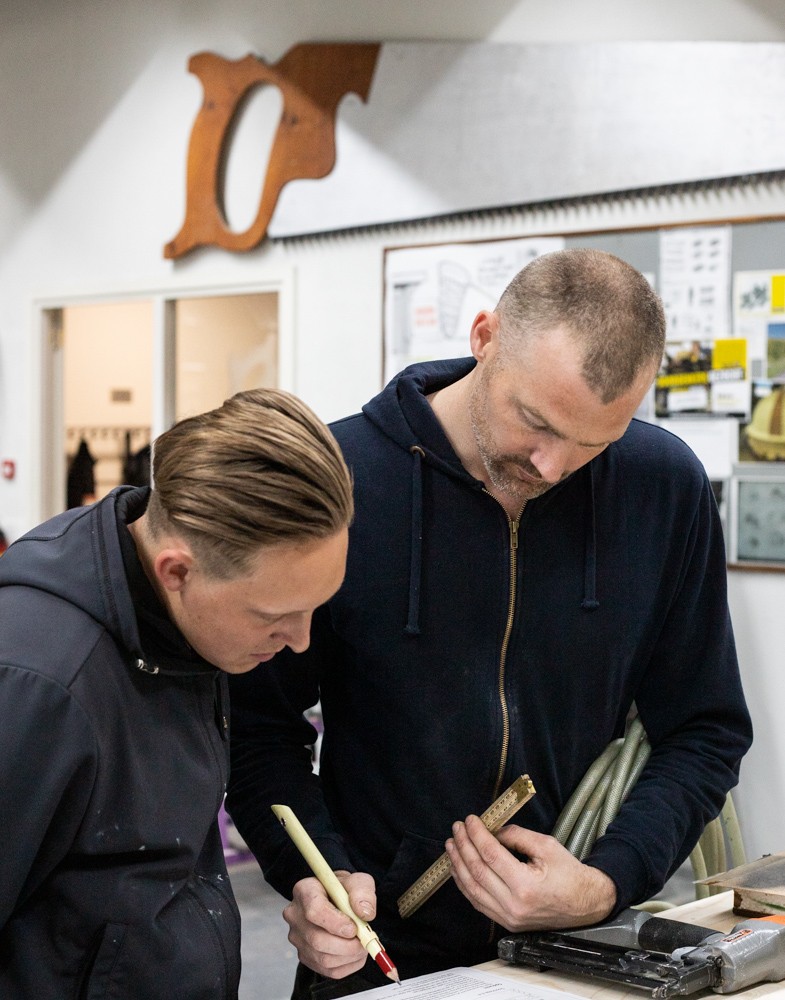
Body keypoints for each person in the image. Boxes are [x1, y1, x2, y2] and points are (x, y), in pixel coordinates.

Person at [226, 249, 753, 996]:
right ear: (484, 337)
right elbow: (254, 728)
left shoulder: (661, 489)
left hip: (577, 955)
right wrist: (315, 875)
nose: (551, 467)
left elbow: (704, 730)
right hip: (376, 955)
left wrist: (606, 881)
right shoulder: (344, 481)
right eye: (534, 422)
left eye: (593, 443)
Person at [0, 388, 353, 1000]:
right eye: (274, 616)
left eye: (315, 610)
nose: (300, 642)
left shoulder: (178, 623)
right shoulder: (41, 685)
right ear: (177, 571)